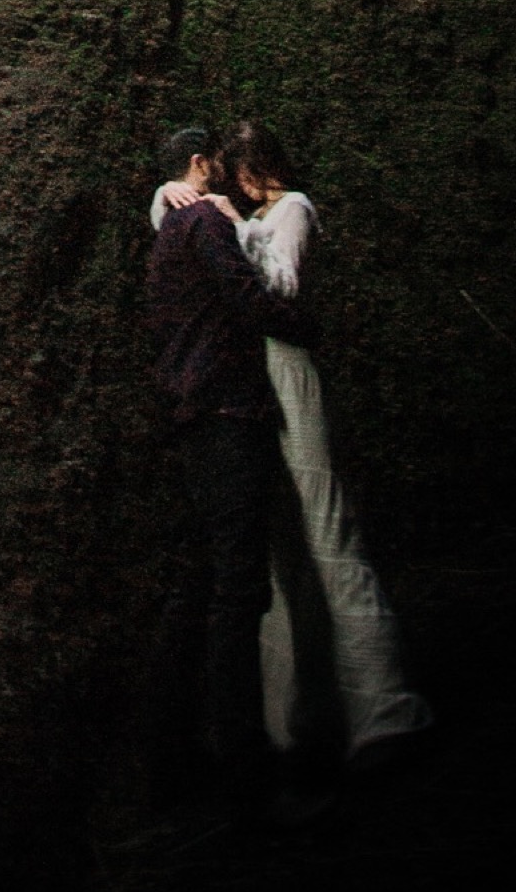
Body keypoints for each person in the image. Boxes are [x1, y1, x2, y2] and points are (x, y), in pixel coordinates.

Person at [154, 120, 432, 768]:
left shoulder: (295, 209)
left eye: (236, 172)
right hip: (251, 380)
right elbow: (190, 234)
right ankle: (293, 721)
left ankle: (383, 706)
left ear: (255, 167)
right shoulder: (232, 214)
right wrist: (181, 202)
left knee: (327, 526)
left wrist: (228, 224)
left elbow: (280, 285)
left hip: (289, 371)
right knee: (277, 559)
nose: (231, 185)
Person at [143, 124, 320, 820]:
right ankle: (249, 773)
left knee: (194, 590)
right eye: (216, 162)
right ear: (198, 165)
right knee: (236, 594)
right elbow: (248, 295)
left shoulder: (162, 238)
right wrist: (305, 326)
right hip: (225, 414)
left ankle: (170, 764)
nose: (227, 173)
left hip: (189, 417)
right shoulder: (202, 225)